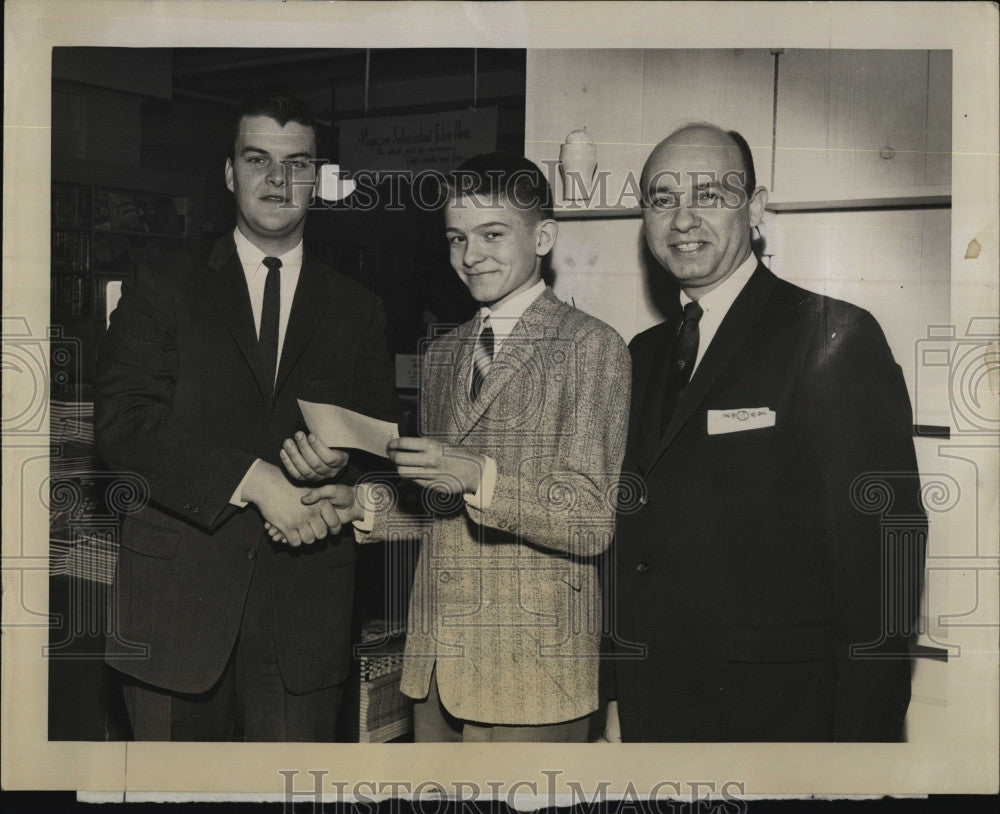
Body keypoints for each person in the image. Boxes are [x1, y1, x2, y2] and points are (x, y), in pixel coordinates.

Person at [278, 152, 631, 741]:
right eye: (456, 238)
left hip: (535, 672)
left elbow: (591, 519)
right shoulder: (445, 353)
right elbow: (440, 504)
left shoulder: (593, 347)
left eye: (493, 234)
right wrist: (361, 507)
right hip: (436, 664)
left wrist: (478, 477)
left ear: (543, 236)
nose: (471, 256)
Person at [607, 123, 927, 742]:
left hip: (783, 719)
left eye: (710, 194)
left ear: (755, 210)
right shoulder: (640, 355)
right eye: (662, 198)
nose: (683, 218)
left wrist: (866, 747)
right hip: (657, 711)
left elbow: (885, 558)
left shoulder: (833, 336)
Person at [95, 95, 397, 741]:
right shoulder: (164, 284)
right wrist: (257, 480)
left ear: (318, 179)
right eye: (257, 159)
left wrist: (342, 469)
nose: (277, 180)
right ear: (230, 172)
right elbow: (123, 422)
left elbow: (380, 452)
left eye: (298, 163)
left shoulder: (359, 309)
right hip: (173, 616)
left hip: (303, 622)